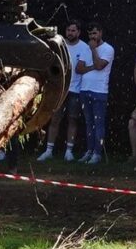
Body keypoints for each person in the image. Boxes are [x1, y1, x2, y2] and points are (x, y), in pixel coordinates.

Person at [43, 22, 86, 163]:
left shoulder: (84, 47)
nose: (70, 33)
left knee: (72, 120)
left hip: (75, 90)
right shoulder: (59, 44)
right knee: (55, 119)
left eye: (73, 30)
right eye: (68, 30)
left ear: (78, 32)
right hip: (60, 89)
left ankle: (69, 152)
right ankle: (48, 151)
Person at [79, 22, 116, 163]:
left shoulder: (108, 49)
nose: (92, 37)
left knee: (98, 123)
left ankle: (97, 153)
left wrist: (94, 50)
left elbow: (100, 66)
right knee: (89, 123)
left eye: (94, 33)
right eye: (90, 34)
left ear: (100, 33)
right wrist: (92, 66)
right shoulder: (85, 48)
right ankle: (89, 150)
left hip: (99, 91)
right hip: (84, 89)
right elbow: (79, 68)